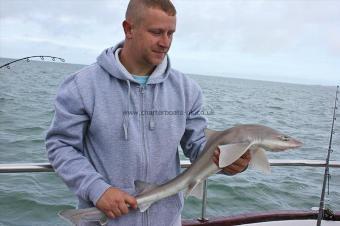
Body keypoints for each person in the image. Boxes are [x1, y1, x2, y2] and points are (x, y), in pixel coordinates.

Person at [45, 0, 251, 225]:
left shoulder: (186, 89)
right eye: (156, 32)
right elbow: (61, 146)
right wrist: (97, 189)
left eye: (171, 33)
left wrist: (227, 161)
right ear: (128, 29)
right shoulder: (82, 85)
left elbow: (198, 147)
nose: (165, 42)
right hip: (107, 219)